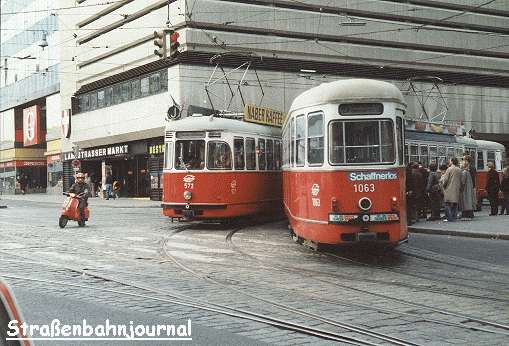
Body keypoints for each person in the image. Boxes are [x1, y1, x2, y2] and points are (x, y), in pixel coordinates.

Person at [440, 157, 462, 222]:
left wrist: (443, 185)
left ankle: (449, 218)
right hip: (456, 188)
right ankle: (454, 216)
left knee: (447, 204)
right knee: (455, 203)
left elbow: (446, 179)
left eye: (450, 161)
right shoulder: (459, 169)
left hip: (449, 188)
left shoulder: (449, 169)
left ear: (452, 161)